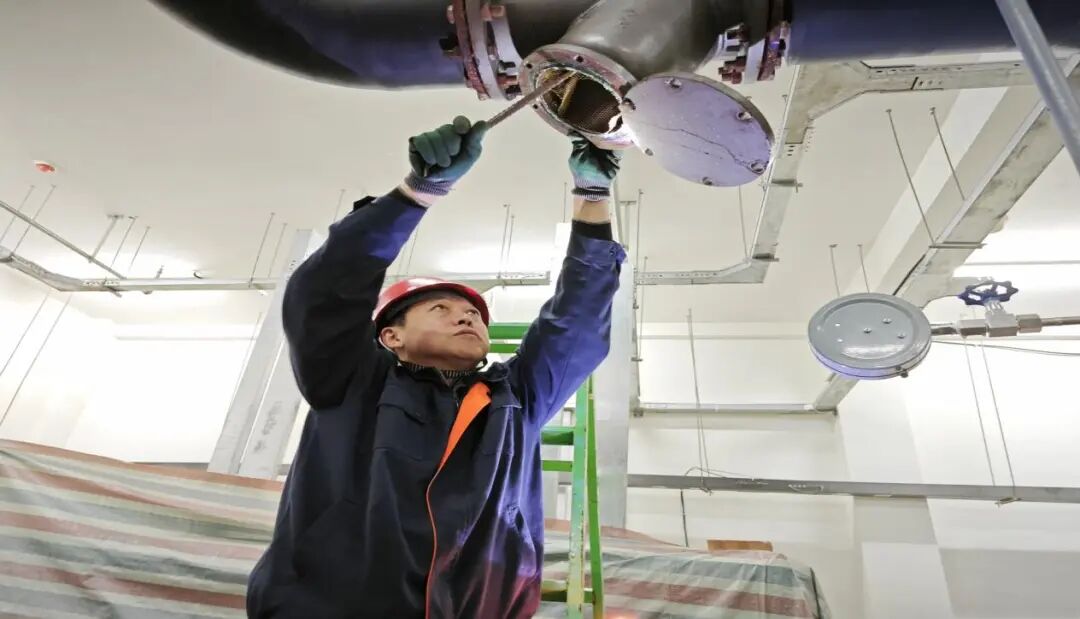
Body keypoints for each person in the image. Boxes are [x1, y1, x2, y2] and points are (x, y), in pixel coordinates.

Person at [246, 115, 625, 618]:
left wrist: (593, 197)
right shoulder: (351, 380)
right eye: (440, 309)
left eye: (473, 313)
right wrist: (416, 193)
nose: (466, 316)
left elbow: (577, 323)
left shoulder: (514, 400)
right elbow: (326, 291)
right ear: (391, 336)